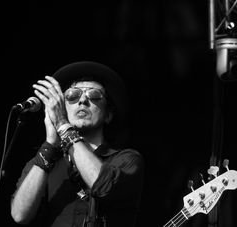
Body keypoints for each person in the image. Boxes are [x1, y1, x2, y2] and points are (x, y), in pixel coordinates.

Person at [10, 61, 144, 227]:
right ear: (64, 109)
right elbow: (19, 215)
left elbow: (102, 185)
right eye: (72, 96)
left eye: (94, 95)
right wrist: (50, 145)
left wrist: (63, 126)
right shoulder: (46, 161)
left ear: (108, 114)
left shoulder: (126, 159)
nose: (82, 101)